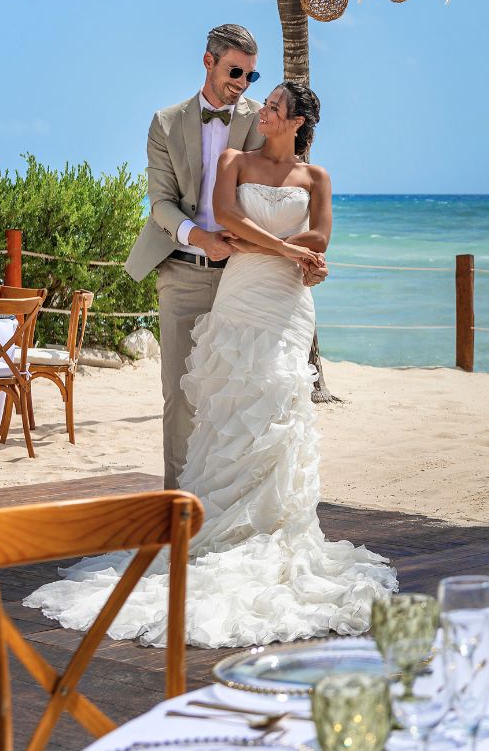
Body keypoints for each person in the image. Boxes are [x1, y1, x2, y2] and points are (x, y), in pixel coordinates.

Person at [25, 81, 396, 648]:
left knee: (280, 402)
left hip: (289, 302)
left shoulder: (316, 177)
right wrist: (289, 249)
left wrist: (285, 251)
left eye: (274, 106)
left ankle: (276, 524)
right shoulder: (232, 159)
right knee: (227, 402)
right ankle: (209, 522)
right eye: (265, 101)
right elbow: (224, 214)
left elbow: (319, 234)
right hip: (242, 290)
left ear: (296, 124)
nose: (263, 109)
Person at [122, 24, 326, 490]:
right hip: (184, 270)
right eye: (236, 71)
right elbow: (161, 204)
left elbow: (291, 185)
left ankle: (231, 502)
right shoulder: (166, 122)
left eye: (252, 76)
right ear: (208, 61)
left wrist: (304, 257)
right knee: (180, 394)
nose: (243, 84)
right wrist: (201, 237)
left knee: (242, 395)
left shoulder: (263, 118)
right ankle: (179, 504)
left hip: (247, 277)